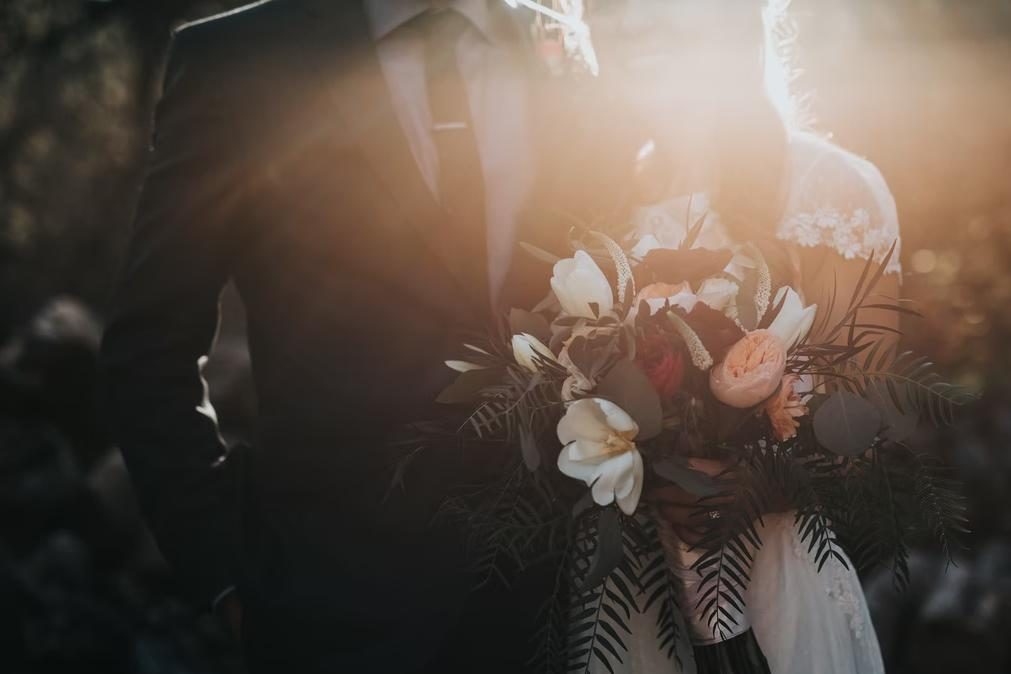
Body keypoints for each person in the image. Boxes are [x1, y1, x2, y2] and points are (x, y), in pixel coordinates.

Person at [98, 1, 570, 672]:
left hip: (559, 612)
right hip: (332, 616)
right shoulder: (240, 62)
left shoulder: (566, 49)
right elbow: (148, 349)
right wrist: (231, 575)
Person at [573, 0, 899, 672]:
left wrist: (740, 486)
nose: (628, 21)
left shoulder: (825, 187)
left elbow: (860, 427)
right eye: (602, 5)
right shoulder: (589, 203)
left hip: (771, 586)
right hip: (621, 603)